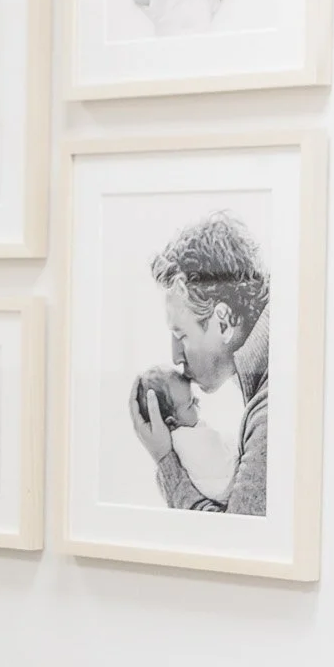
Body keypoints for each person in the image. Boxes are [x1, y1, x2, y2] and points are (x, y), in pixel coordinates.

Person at [127, 210, 269, 514]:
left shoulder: (271, 412)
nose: (176, 356)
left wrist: (166, 459)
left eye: (182, 335)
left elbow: (232, 545)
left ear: (224, 320)